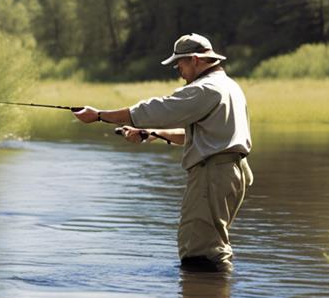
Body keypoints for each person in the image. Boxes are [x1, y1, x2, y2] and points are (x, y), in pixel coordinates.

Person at [73, 33, 253, 272]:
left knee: (199, 252)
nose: (177, 67)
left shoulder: (204, 89)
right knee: (211, 245)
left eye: (180, 62)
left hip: (212, 175)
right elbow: (204, 135)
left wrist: (99, 115)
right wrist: (153, 133)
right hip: (229, 174)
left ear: (196, 59)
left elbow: (158, 109)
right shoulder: (229, 86)